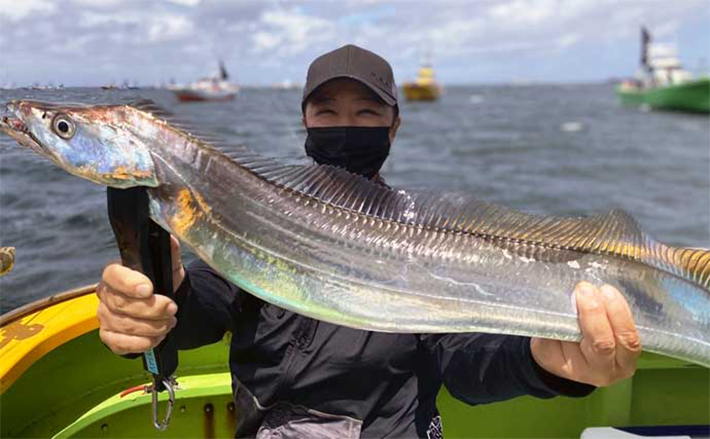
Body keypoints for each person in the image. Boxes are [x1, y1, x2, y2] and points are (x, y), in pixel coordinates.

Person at [97, 45, 641, 438]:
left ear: (394, 127)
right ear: (306, 122)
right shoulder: (263, 216)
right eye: (327, 111)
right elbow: (206, 303)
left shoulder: (427, 239)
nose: (345, 124)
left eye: (366, 112)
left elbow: (467, 361)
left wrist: (542, 362)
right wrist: (153, 307)